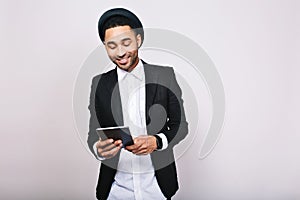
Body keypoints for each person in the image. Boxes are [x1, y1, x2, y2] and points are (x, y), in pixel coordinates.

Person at [87, 8, 188, 200]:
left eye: (126, 43)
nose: (121, 52)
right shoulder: (99, 84)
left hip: (157, 187)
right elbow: (93, 133)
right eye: (112, 45)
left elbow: (181, 126)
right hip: (115, 189)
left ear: (138, 40)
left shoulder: (164, 75)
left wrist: (157, 141)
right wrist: (98, 149)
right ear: (105, 46)